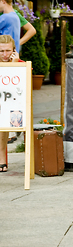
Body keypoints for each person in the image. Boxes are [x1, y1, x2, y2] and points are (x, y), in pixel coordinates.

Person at [0, 35, 22, 172]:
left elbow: (21, 87)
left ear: (14, 50)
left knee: (4, 114)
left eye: (8, 51)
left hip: (11, 105)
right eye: (1, 51)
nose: (4, 54)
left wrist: (13, 65)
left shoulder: (20, 63)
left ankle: (1, 157)